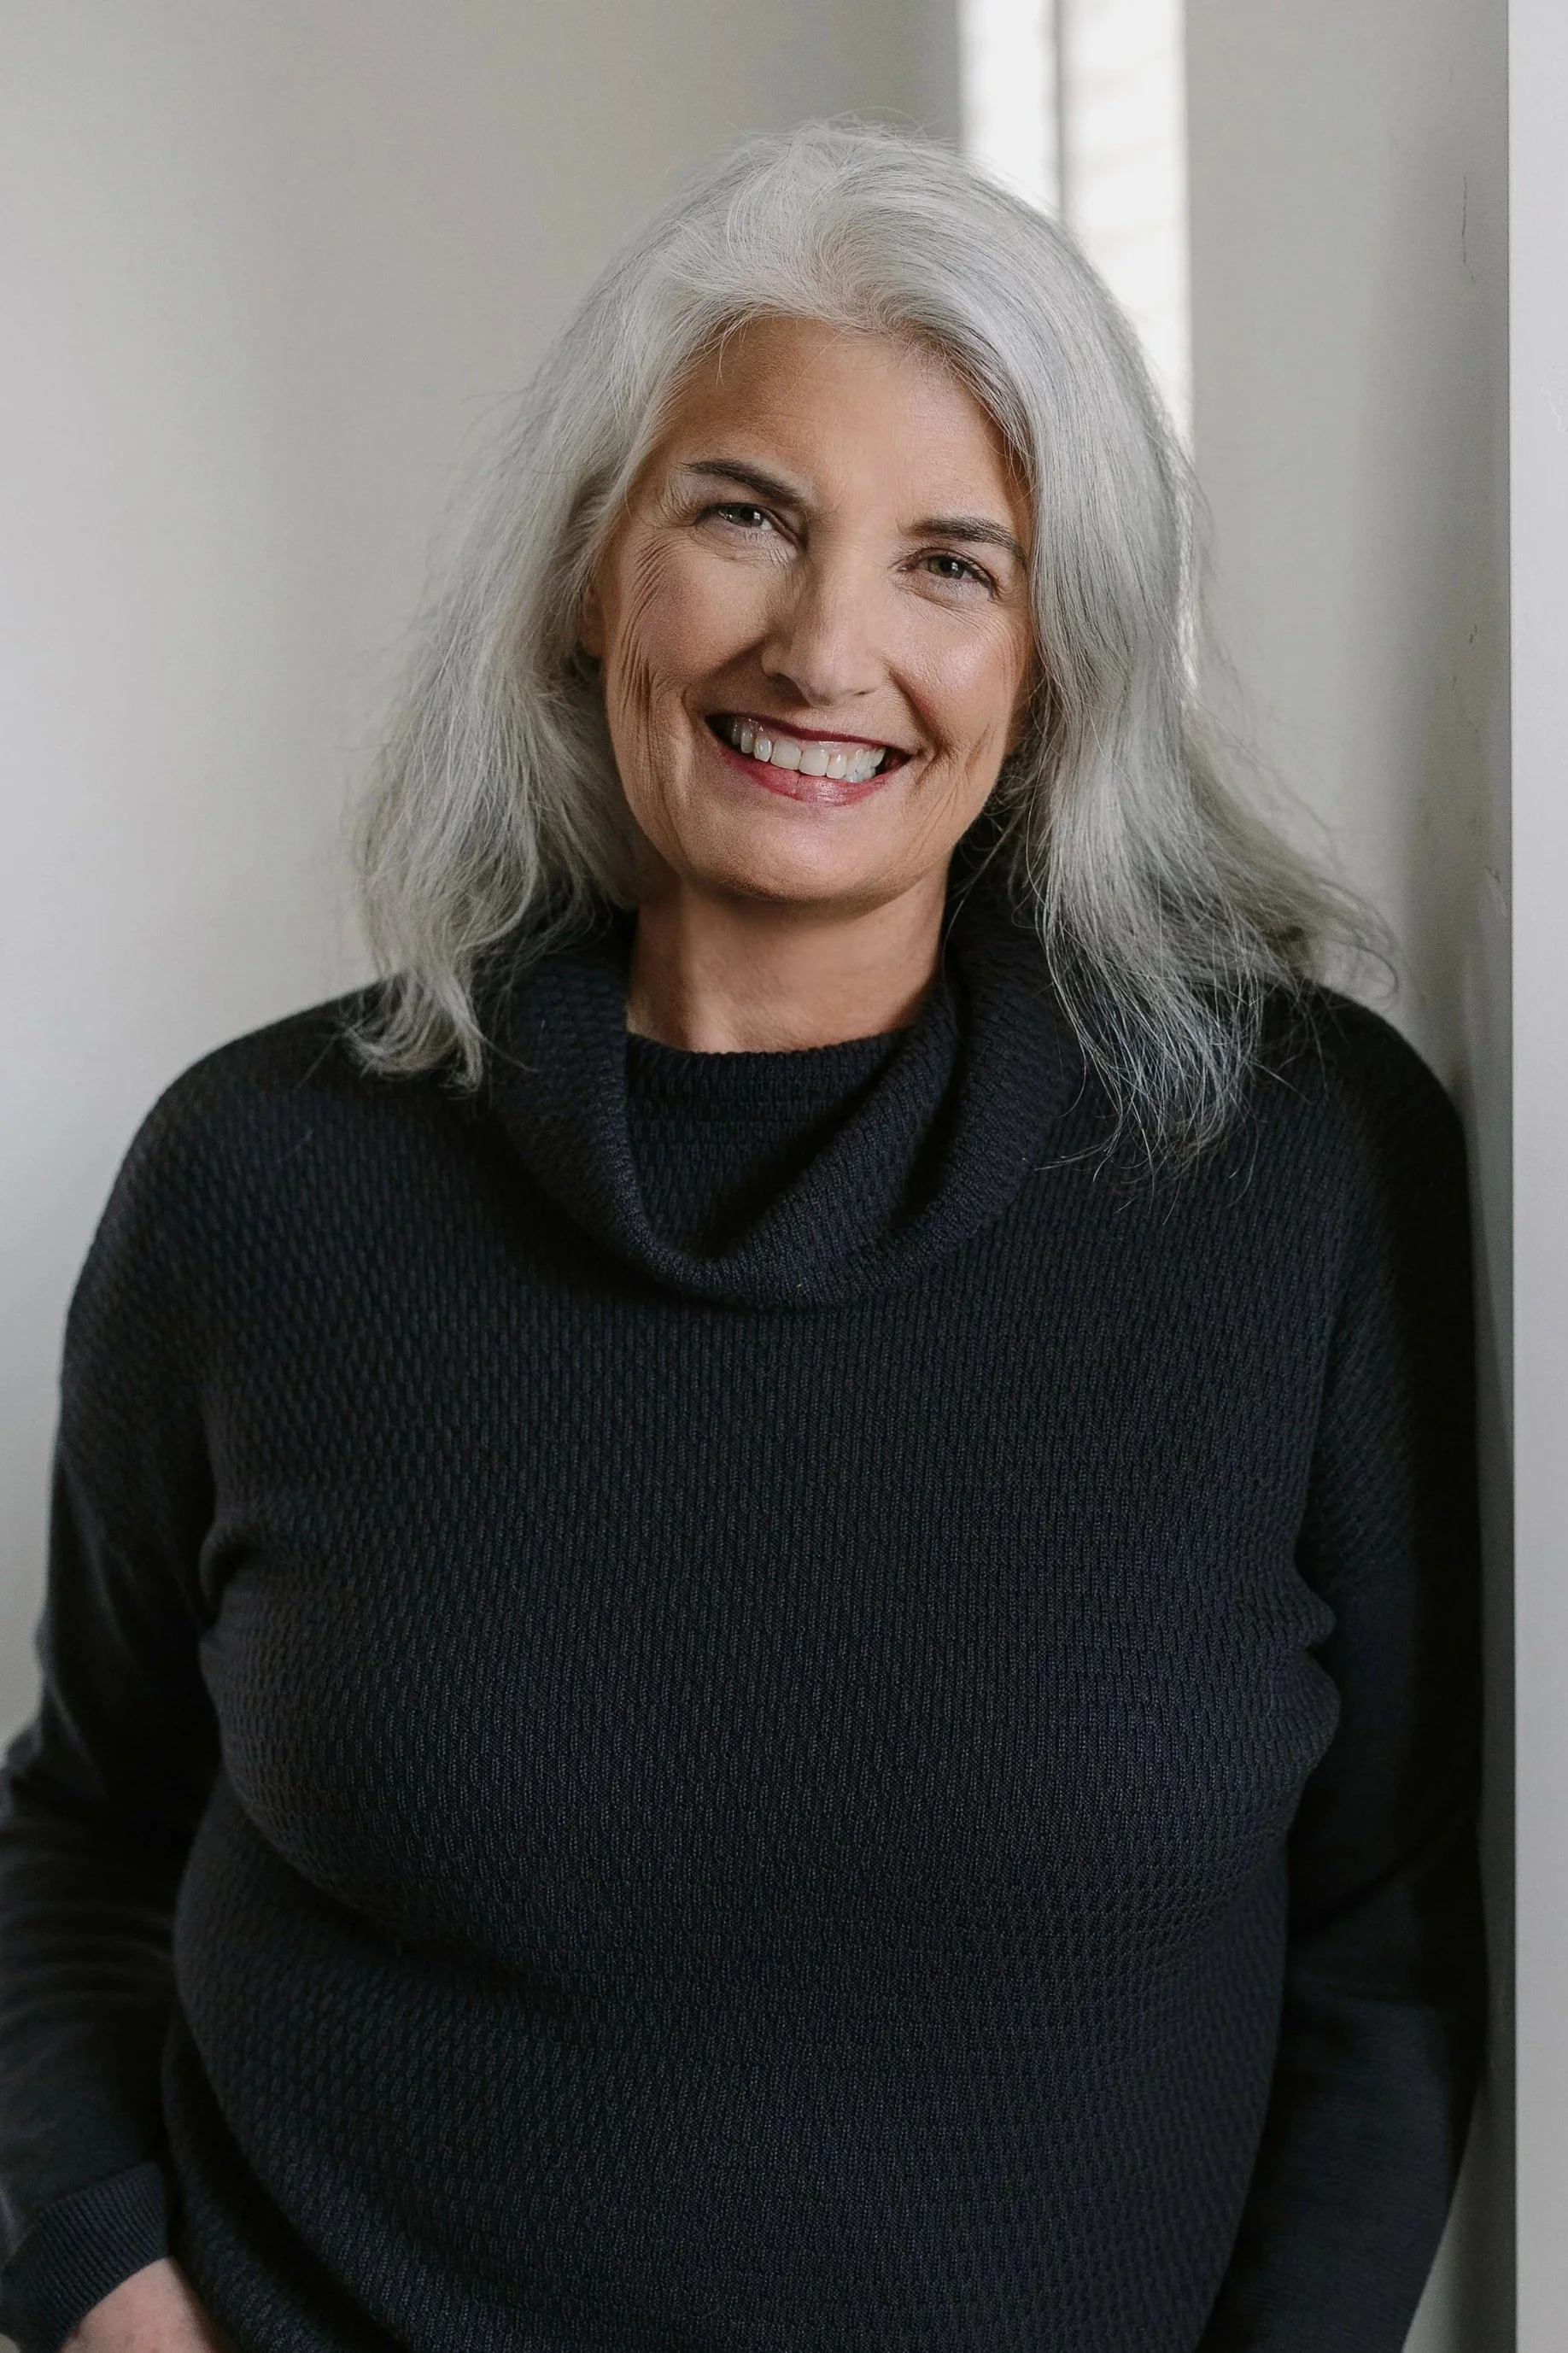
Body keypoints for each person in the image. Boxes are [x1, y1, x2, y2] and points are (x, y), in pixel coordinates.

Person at [0, 120, 1484, 2353]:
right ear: (591, 568)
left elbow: (1380, 1938)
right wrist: (115, 2301)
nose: (824, 648)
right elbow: (79, 1838)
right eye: (744, 516)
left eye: (948, 565)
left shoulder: (1293, 1170)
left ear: (1051, 667)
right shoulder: (261, 1186)